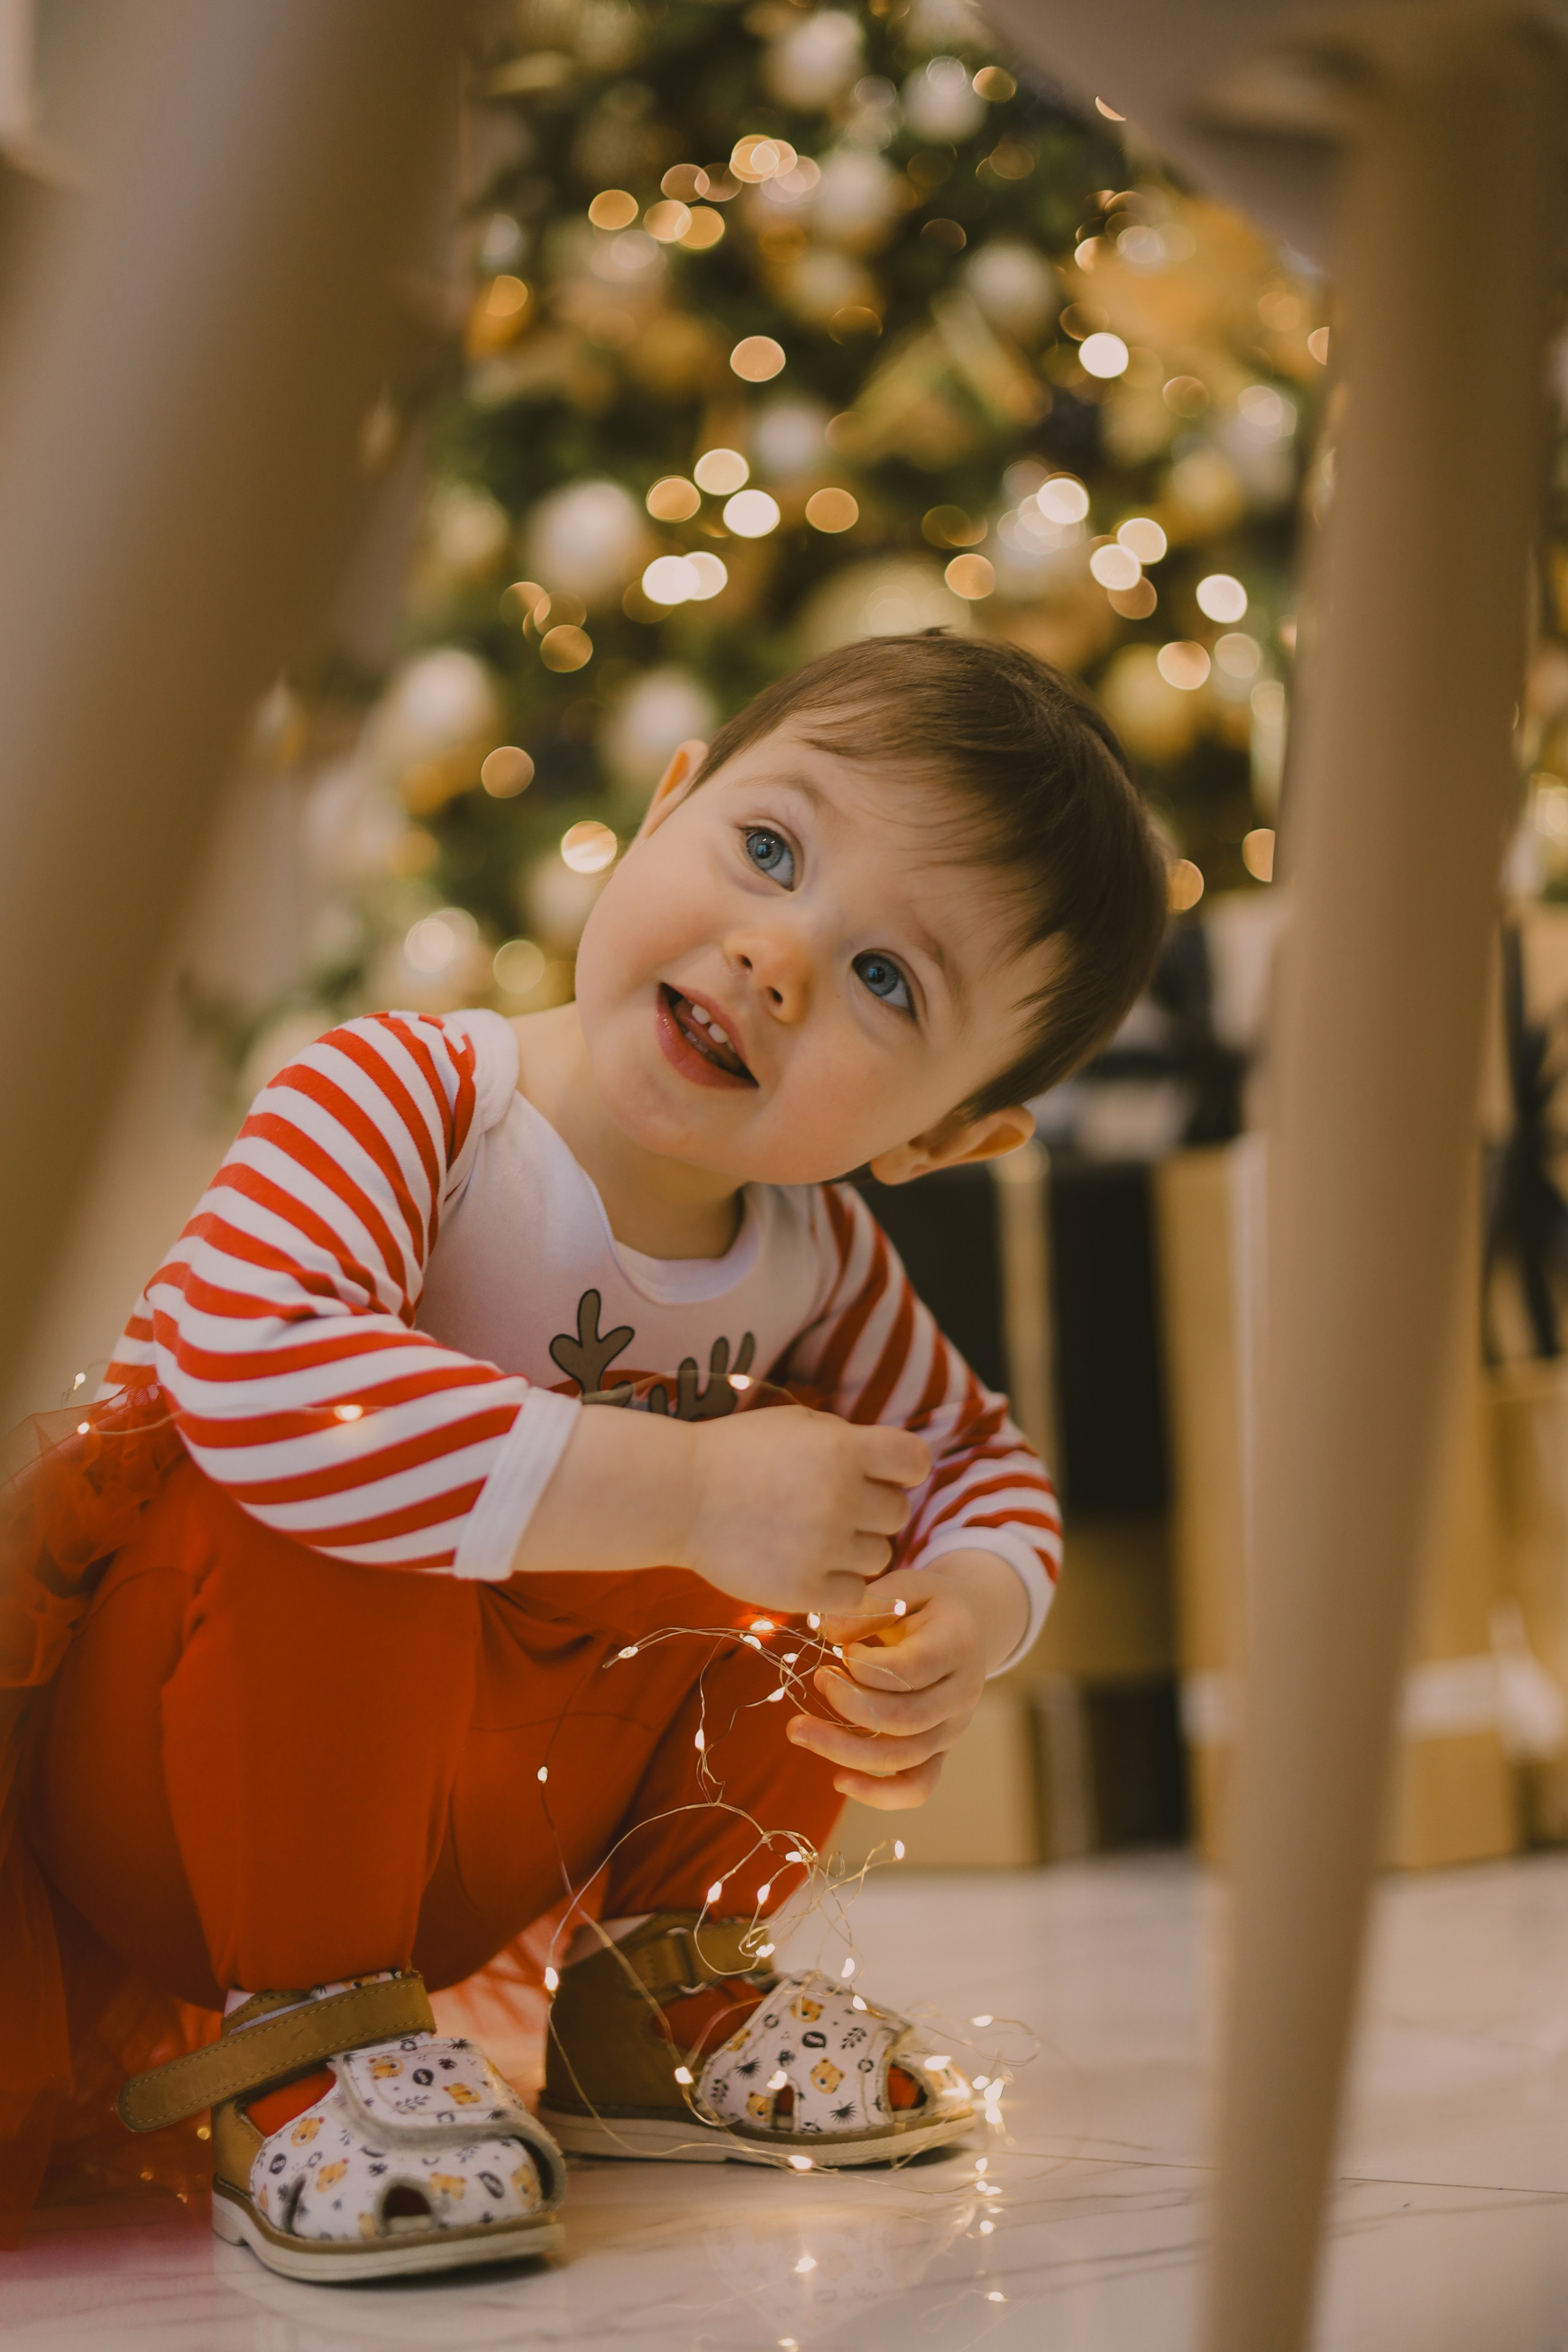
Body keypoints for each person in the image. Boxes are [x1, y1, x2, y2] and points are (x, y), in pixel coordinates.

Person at [1, 630, 1166, 2279]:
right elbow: (250, 1376)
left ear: (942, 1139)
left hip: (478, 1827)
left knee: (846, 1518)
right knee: (356, 1478)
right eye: (769, 850)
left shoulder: (818, 1255)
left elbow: (976, 1462)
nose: (778, 956)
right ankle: (302, 2045)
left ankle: (658, 1993)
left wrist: (964, 1614)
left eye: (890, 982)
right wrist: (688, 1489)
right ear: (663, 803)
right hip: (188, 1797)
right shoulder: (409, 1095)